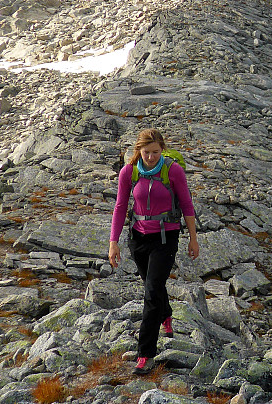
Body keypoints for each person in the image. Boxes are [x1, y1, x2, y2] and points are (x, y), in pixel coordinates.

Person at [109, 128, 200, 375]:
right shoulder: (129, 172)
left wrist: (193, 239)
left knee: (151, 292)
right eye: (146, 152)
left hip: (165, 237)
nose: (150, 157)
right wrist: (113, 241)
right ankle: (166, 314)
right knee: (153, 285)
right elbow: (119, 206)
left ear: (162, 149)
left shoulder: (173, 171)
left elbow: (187, 205)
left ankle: (145, 354)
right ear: (138, 151)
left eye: (155, 152)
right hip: (137, 238)